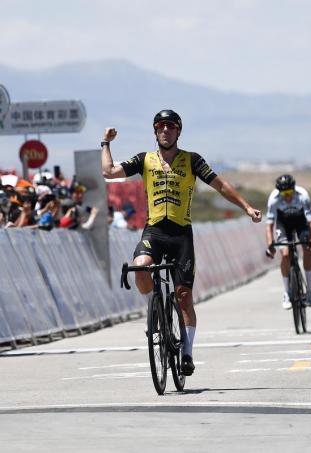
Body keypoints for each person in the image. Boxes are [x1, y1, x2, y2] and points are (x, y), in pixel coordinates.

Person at [100, 109, 262, 376]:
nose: (166, 130)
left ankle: (187, 352)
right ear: (155, 131)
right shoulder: (145, 159)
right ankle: (156, 312)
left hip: (181, 235)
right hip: (154, 231)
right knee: (140, 268)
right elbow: (109, 172)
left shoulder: (191, 160)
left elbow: (220, 185)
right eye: (161, 126)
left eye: (171, 127)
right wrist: (105, 143)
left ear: (178, 131)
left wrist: (246, 207)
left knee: (183, 296)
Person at [265, 174, 311, 309]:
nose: (287, 196)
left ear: (294, 189)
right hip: (283, 225)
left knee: (307, 248)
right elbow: (269, 225)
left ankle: (310, 291)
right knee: (286, 254)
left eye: (289, 192)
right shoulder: (273, 199)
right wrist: (270, 245)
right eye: (284, 193)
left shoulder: (303, 196)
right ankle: (287, 292)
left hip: (301, 223)